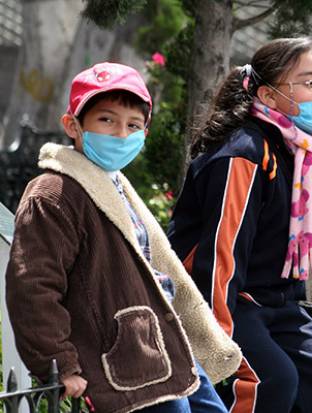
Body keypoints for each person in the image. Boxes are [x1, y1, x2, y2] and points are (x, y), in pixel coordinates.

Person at [5, 62, 242, 413]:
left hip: (165, 348)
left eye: (132, 125)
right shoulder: (54, 192)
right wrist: (58, 361)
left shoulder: (115, 183)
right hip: (125, 361)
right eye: (106, 120)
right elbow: (33, 285)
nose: (120, 133)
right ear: (72, 125)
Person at [167, 38, 312, 413]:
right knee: (271, 380)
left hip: (276, 303)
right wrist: (215, 341)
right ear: (269, 97)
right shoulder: (244, 153)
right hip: (224, 302)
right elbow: (219, 259)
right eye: (309, 83)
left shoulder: (302, 151)